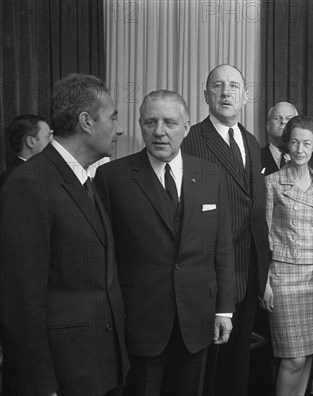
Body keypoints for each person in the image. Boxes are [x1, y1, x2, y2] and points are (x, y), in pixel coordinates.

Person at [95, 90, 235, 395]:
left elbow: (223, 247)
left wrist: (224, 310)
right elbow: (104, 256)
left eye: (170, 123)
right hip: (139, 323)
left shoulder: (212, 175)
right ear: (140, 125)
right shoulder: (111, 177)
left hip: (197, 320)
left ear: (186, 127)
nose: (159, 131)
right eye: (150, 122)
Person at [0, 73, 127, 396]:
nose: (120, 129)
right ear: (86, 121)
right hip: (63, 377)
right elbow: (20, 301)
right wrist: (40, 385)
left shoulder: (85, 181)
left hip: (100, 369)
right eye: (113, 117)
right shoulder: (30, 183)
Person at [181, 64, 271, 396]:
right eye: (217, 86)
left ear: (245, 95)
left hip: (248, 270)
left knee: (238, 365)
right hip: (211, 272)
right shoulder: (190, 140)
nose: (226, 92)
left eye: (234, 86)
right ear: (206, 95)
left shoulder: (250, 141)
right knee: (209, 365)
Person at [260, 115, 313, 396]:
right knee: (294, 358)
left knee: (309, 357)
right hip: (283, 280)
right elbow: (263, 235)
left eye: (306, 143)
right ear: (286, 146)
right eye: (294, 142)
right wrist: (264, 282)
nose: (300, 149)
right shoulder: (272, 183)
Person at [0, 114, 53, 187]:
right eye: (48, 137)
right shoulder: (14, 177)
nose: (52, 141)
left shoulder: (40, 170)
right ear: (30, 142)